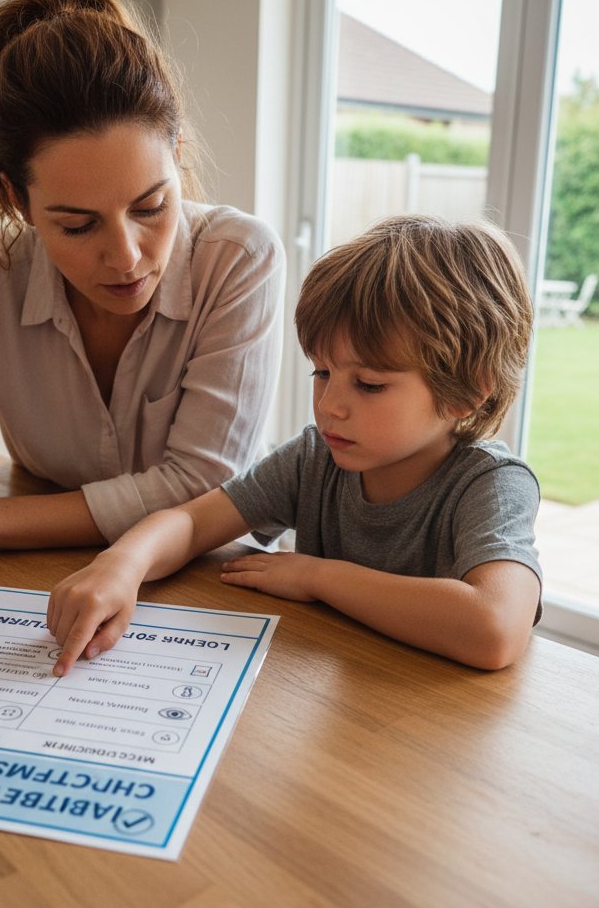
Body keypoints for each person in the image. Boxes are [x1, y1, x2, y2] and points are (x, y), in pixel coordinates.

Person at [0, 0, 285, 656]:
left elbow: (201, 486)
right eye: (76, 224)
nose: (127, 256)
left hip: (207, 591)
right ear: (18, 199)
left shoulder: (238, 259)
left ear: (178, 154)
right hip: (42, 580)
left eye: (152, 206)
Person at [47, 215, 543, 674]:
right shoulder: (315, 458)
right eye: (322, 372)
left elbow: (495, 629)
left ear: (468, 392)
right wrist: (121, 565)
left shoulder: (492, 485)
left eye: (369, 384)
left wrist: (317, 577)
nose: (330, 405)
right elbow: (193, 520)